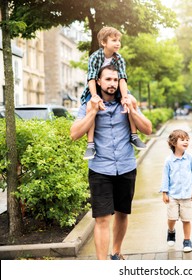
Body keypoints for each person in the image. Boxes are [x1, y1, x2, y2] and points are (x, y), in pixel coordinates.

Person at [70, 64, 152, 260]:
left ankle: (116, 252)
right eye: (108, 79)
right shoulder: (88, 105)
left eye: (115, 80)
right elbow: (74, 134)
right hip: (100, 169)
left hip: (126, 166)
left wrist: (132, 110)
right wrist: (92, 113)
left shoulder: (127, 102)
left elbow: (147, 129)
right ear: (98, 82)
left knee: (122, 214)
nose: (112, 84)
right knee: (102, 218)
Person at [81, 26, 146, 160]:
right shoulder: (95, 57)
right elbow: (91, 78)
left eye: (119, 41)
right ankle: (90, 144)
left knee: (131, 102)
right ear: (104, 43)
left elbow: (122, 79)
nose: (118, 43)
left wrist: (125, 97)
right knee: (90, 107)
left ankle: (134, 136)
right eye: (114, 40)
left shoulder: (119, 59)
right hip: (96, 88)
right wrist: (94, 96)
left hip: (114, 87)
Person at [160, 129, 192, 253]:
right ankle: (171, 231)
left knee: (186, 219)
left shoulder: (190, 159)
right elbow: (165, 177)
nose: (186, 142)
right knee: (172, 218)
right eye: (182, 140)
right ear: (173, 142)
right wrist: (164, 193)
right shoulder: (169, 161)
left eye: (187, 139)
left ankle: (187, 240)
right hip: (173, 195)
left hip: (186, 195)